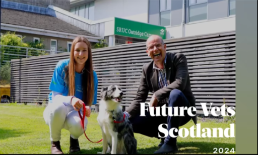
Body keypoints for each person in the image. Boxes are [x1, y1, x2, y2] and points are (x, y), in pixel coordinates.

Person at [124, 35, 197, 154]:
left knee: (175, 94)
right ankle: (164, 134)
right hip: (160, 112)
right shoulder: (146, 69)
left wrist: (156, 95)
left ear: (165, 47)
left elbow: (180, 83)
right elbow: (140, 97)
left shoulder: (178, 58)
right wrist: (124, 115)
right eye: (151, 47)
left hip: (182, 109)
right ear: (147, 52)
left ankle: (170, 143)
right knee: (129, 122)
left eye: (158, 45)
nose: (155, 49)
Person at [43, 36, 98, 154]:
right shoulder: (62, 66)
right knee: (58, 107)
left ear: (89, 52)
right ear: (72, 51)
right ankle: (55, 143)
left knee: (80, 125)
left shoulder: (92, 75)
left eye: (84, 50)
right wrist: (71, 99)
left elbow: (89, 103)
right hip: (56, 110)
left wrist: (88, 108)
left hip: (75, 112)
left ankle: (74, 140)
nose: (81, 54)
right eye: (77, 50)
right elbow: (56, 97)